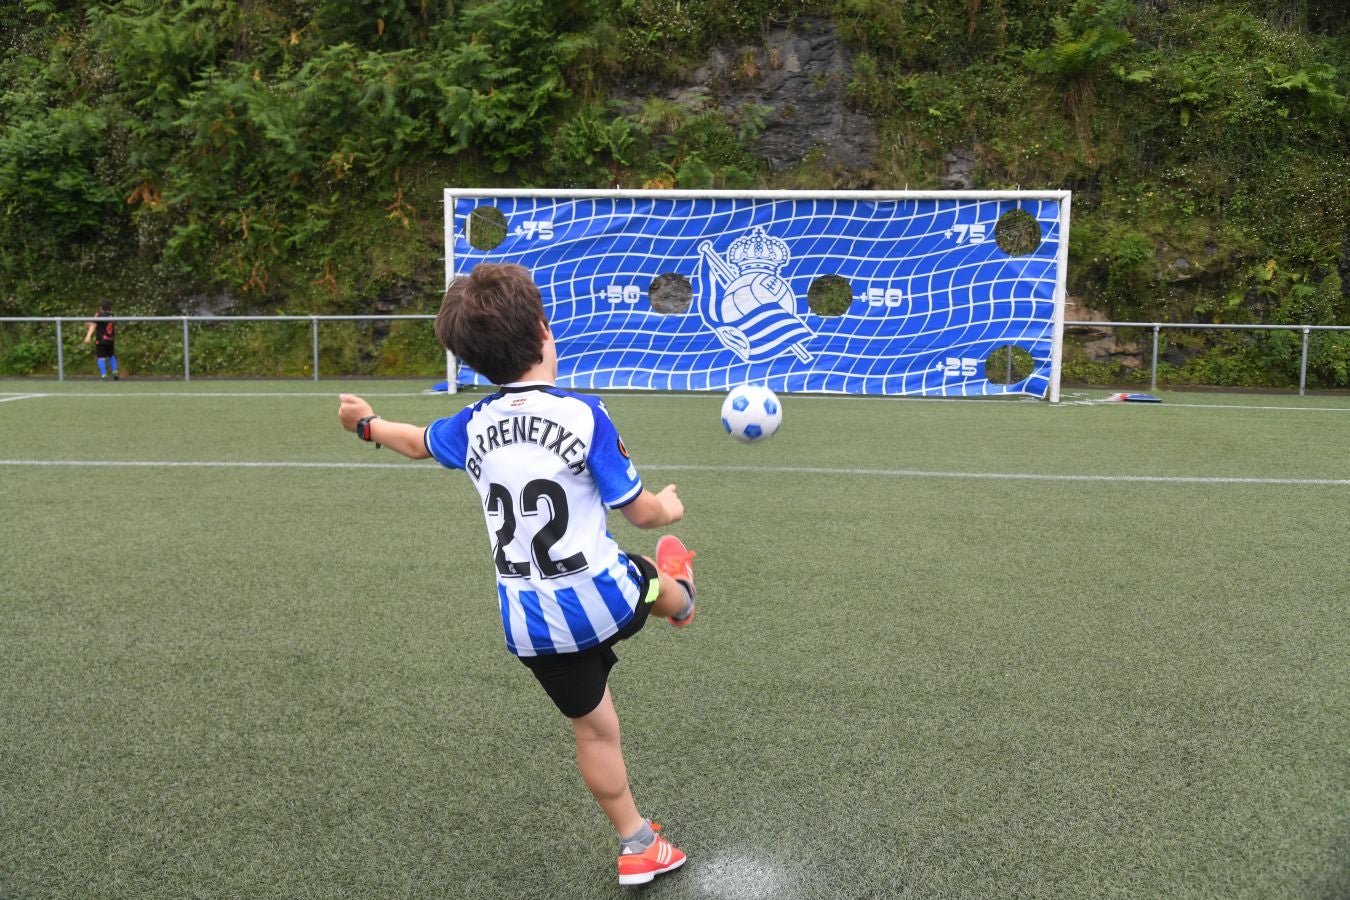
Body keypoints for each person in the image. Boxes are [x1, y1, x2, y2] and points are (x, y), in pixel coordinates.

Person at [336, 263, 697, 887]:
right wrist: (668, 503)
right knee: (646, 575)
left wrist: (365, 424)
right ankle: (681, 595)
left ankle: (638, 844)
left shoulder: (471, 424)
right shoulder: (583, 415)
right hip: (600, 597)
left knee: (595, 729)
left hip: (532, 624)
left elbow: (415, 440)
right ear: (542, 328)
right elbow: (639, 513)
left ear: (473, 361)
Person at [83, 301, 119, 380]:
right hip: (110, 340)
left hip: (101, 340)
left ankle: (103, 375)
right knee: (111, 355)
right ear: (110, 308)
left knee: (100, 357)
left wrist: (88, 336)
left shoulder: (98, 315)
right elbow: (104, 324)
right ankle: (115, 371)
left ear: (101, 308)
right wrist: (90, 323)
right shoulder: (112, 316)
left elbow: (94, 325)